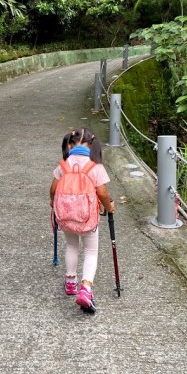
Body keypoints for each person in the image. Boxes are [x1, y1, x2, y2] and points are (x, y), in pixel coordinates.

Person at [49, 128, 115, 312]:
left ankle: (71, 282)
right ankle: (85, 289)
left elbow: (53, 189)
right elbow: (102, 193)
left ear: (70, 144)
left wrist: (52, 204)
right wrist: (109, 206)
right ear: (92, 145)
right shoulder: (95, 166)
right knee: (91, 251)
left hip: (66, 217)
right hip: (87, 219)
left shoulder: (64, 165)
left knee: (71, 246)